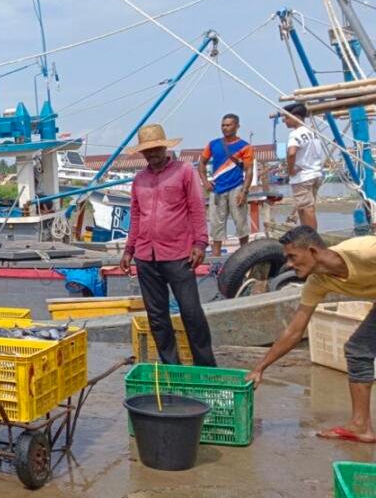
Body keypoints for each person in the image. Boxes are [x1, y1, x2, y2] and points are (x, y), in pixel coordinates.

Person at [246, 226, 376, 442]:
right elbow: (295, 331)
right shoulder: (317, 283)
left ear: (313, 252)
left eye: (292, 257)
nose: (288, 264)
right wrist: (260, 368)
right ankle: (360, 425)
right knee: (358, 349)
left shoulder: (364, 250)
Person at [119, 124, 215, 367]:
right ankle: (172, 366)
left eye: (155, 149)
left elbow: (196, 207)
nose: (151, 155)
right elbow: (137, 216)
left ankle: (205, 367)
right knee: (157, 317)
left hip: (178, 253)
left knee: (191, 312)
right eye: (146, 152)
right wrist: (129, 250)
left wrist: (200, 243)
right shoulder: (139, 180)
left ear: (165, 147)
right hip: (145, 255)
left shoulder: (184, 171)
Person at [200, 114, 253, 256]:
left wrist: (244, 192)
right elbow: (201, 163)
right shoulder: (213, 144)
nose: (225, 128)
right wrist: (205, 182)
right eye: (223, 125)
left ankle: (245, 255)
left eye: (228, 125)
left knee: (241, 225)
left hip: (237, 188)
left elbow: (249, 170)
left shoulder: (245, 147)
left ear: (237, 126)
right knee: (216, 226)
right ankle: (216, 259)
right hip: (217, 190)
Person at [283, 103, 325, 230]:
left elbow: (291, 153)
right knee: (303, 208)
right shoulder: (312, 131)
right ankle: (306, 237)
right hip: (315, 174)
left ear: (295, 116)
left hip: (303, 177)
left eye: (286, 117)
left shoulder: (295, 134)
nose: (284, 121)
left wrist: (290, 170)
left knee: (307, 209)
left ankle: (312, 240)